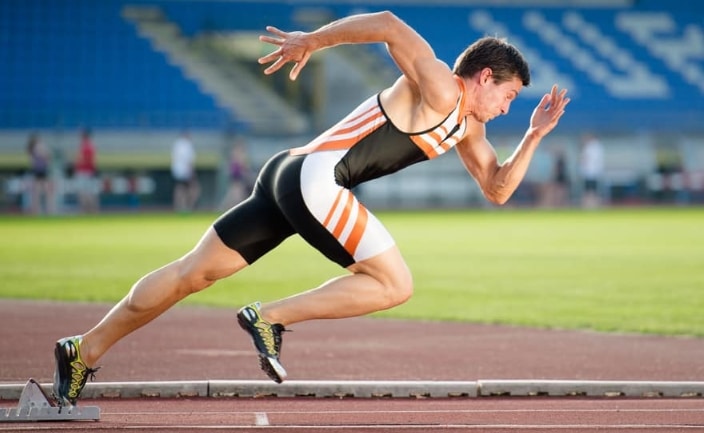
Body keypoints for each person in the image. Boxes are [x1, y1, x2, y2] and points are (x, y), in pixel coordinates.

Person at [52, 10, 569, 407]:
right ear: (483, 77)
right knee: (395, 284)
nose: (508, 107)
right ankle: (269, 318)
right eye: (510, 95)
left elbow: (497, 188)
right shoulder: (439, 86)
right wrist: (312, 41)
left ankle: (85, 349)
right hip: (317, 180)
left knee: (192, 274)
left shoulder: (469, 128)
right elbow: (389, 24)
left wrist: (532, 136)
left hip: (286, 174)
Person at [218, 140, 253, 211]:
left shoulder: (239, 156)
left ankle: (224, 209)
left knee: (237, 196)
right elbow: (240, 168)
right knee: (235, 196)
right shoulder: (237, 155)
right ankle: (222, 209)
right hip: (236, 178)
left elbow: (245, 168)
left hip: (239, 178)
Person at [25, 132, 55, 215]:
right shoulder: (37, 147)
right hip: (41, 171)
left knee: (39, 193)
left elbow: (46, 157)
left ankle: (39, 210)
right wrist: (46, 155)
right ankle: (45, 210)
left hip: (39, 171)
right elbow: (47, 156)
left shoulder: (34, 148)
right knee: (44, 192)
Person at [171, 131, 200, 212]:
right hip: (185, 172)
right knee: (192, 189)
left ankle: (179, 206)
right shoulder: (187, 145)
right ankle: (187, 206)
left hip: (177, 171)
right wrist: (192, 172)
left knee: (180, 189)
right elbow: (188, 161)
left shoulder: (177, 144)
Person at [74, 128, 99, 213]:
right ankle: (92, 210)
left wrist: (77, 162)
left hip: (83, 172)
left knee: (84, 192)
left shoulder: (85, 146)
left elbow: (81, 160)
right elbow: (93, 161)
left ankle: (85, 210)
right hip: (89, 171)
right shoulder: (91, 146)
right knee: (90, 192)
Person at [579, 132, 604, 208]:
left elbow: (585, 159)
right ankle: (592, 204)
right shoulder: (598, 146)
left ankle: (589, 205)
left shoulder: (590, 147)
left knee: (589, 190)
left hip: (589, 172)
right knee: (593, 190)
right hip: (595, 171)